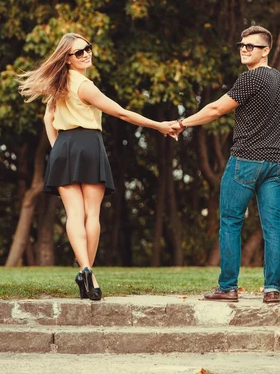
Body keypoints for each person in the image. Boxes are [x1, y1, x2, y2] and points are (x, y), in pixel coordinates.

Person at [19, 33, 175, 301]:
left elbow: (48, 119)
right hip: (88, 144)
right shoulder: (84, 85)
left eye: (87, 48)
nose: (87, 54)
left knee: (74, 215)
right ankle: (88, 272)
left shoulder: (57, 84)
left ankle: (87, 273)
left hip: (64, 147)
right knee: (92, 215)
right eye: (79, 52)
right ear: (67, 60)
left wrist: (57, 148)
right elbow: (122, 113)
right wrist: (158, 125)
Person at [170, 26, 280, 304]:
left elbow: (215, 109)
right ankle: (273, 290)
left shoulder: (252, 79)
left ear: (266, 51)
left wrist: (181, 123)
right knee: (273, 226)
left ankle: (228, 287)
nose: (244, 49)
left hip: (246, 161)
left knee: (231, 223)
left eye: (251, 46)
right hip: (275, 163)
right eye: (242, 45)